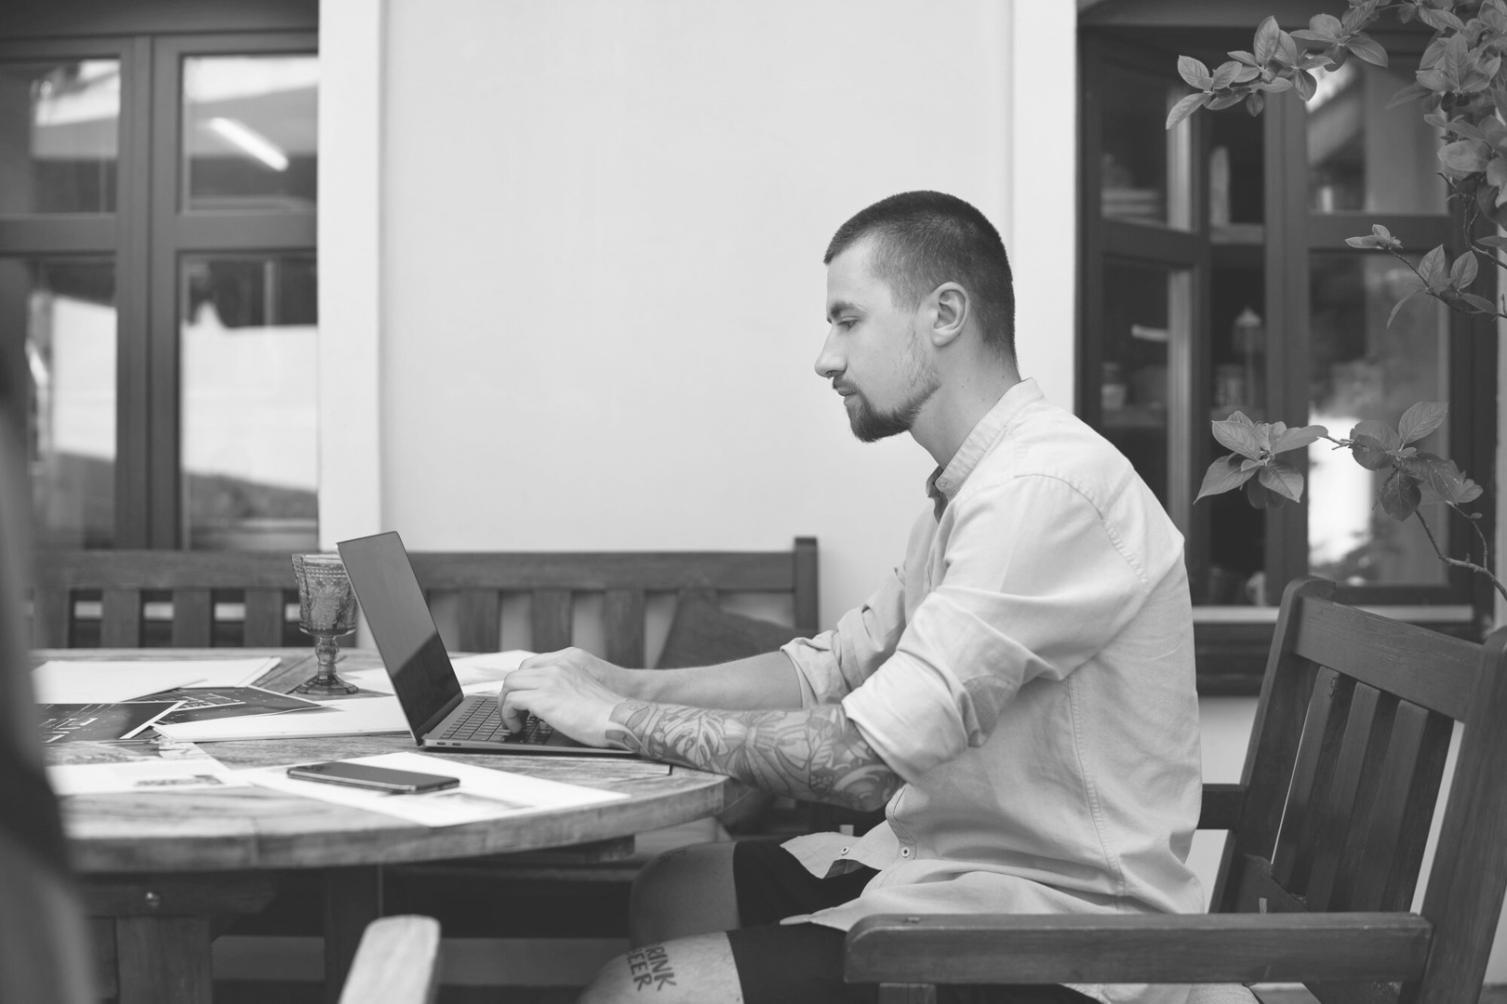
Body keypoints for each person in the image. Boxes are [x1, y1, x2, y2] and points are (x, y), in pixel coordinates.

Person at [496, 191, 1204, 1004]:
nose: (824, 358)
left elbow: (863, 761)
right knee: (673, 888)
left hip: (1065, 930)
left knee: (632, 992)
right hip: (948, 867)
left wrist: (613, 723)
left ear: (943, 314)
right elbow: (830, 670)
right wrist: (623, 683)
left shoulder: (1040, 493)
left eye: (846, 319)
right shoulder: (971, 490)